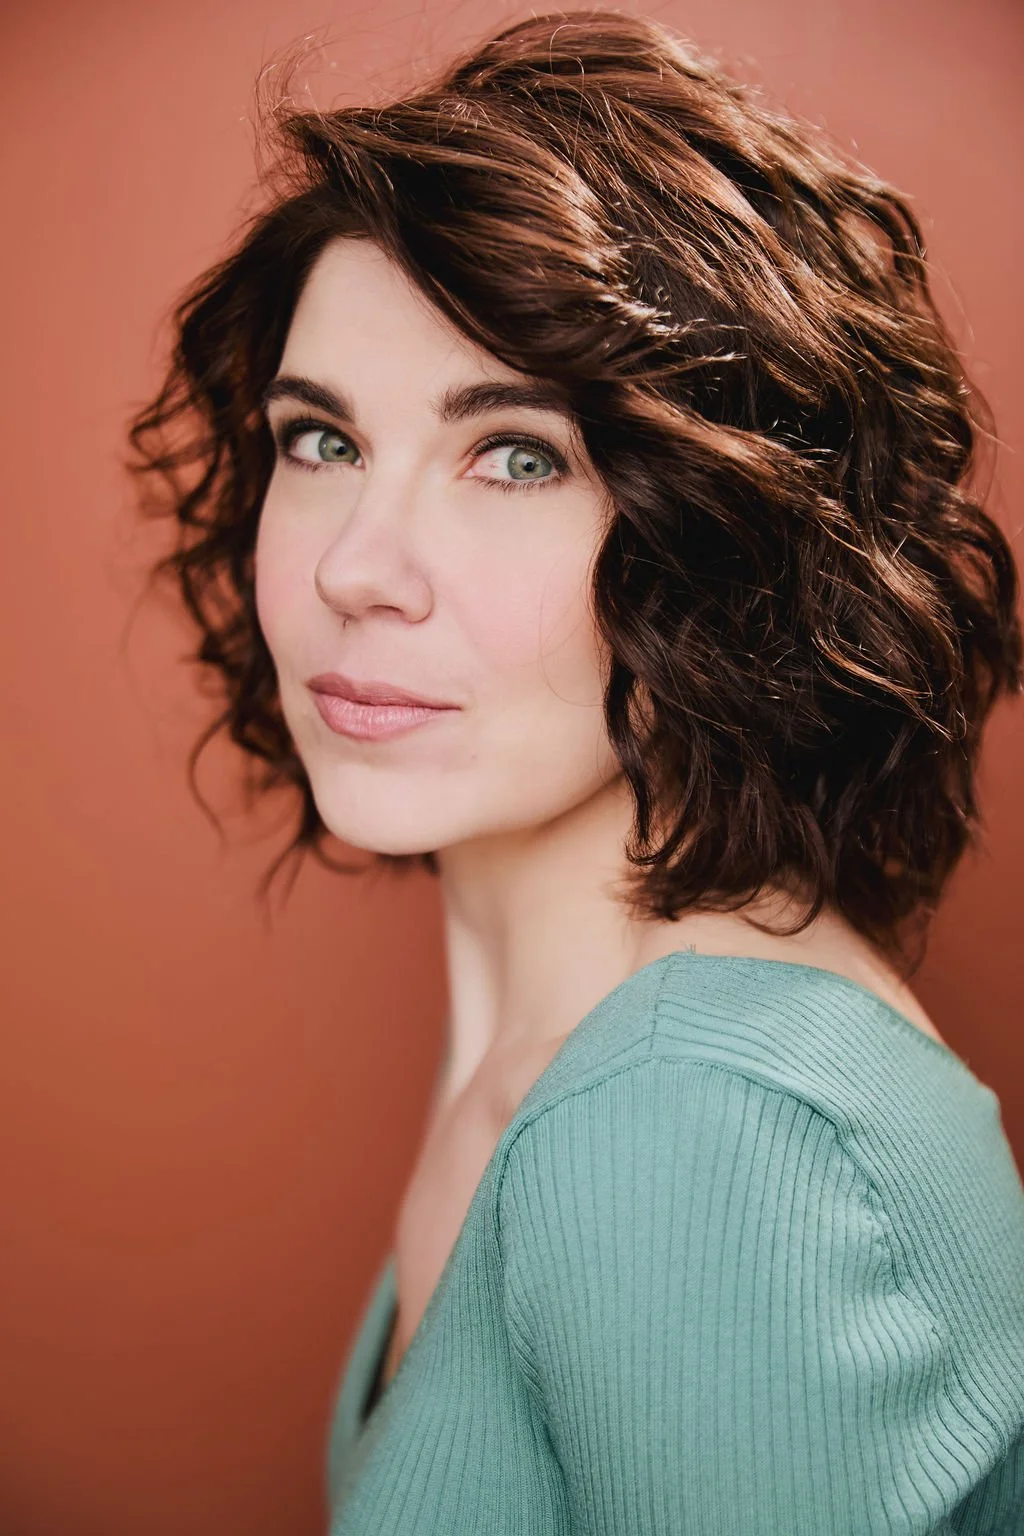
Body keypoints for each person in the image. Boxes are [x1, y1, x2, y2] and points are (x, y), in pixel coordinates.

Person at [127, 10, 1024, 1533]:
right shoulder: (577, 1057)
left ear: (721, 539)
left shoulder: (694, 1124)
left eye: (517, 455)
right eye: (321, 441)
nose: (356, 568)